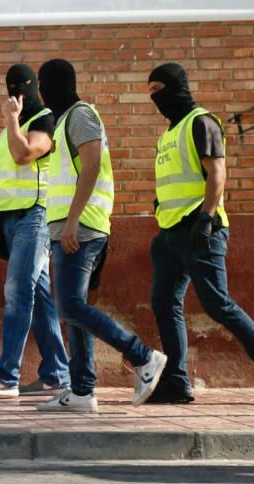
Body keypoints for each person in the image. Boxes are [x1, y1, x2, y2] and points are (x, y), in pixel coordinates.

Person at [34, 59, 166, 412]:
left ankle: (143, 356)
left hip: (83, 226)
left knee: (70, 306)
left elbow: (91, 165)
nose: (41, 92)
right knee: (74, 309)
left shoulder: (80, 115)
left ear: (56, 84)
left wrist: (74, 220)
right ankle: (81, 391)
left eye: (44, 84)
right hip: (66, 226)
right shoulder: (63, 121)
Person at [0, 64, 71, 398]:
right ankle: (56, 373)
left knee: (17, 290)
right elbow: (2, 177)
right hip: (9, 221)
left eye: (21, 87)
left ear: (34, 87)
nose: (15, 93)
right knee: (38, 298)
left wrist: (11, 120)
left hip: (35, 218)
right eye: (9, 87)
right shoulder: (14, 128)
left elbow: (24, 155)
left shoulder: (43, 121)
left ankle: (6, 376)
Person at [146, 63, 254, 404]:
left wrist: (206, 219)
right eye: (150, 93)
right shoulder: (168, 134)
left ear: (177, 86)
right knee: (164, 303)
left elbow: (216, 173)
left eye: (158, 89)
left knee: (217, 304)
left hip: (199, 230)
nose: (155, 98)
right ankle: (177, 382)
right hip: (169, 233)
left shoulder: (201, 122)